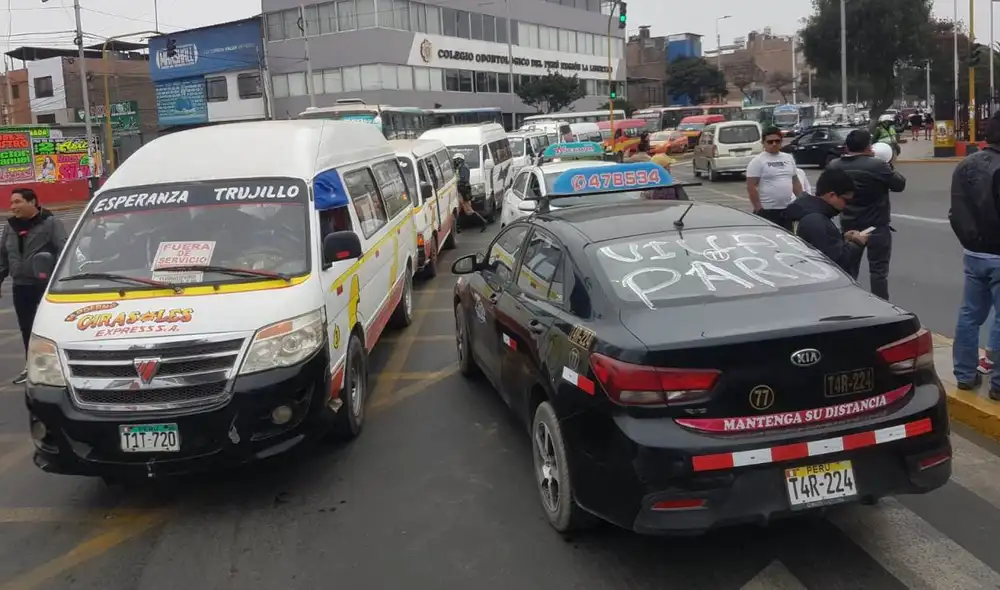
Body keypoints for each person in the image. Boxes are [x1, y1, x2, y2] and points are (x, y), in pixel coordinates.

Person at [949, 110, 1000, 399]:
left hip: (973, 252)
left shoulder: (965, 165)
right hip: (997, 252)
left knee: (969, 315)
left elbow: (957, 210)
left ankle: (965, 375)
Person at [826, 129, 906, 301]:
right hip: (876, 225)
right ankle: (882, 309)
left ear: (847, 146)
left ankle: (848, 303)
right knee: (878, 272)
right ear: (869, 147)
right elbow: (899, 184)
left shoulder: (834, 165)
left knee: (848, 269)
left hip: (849, 225)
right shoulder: (877, 165)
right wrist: (887, 163)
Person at [0, 188, 68, 384]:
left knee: (51, 328)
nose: (13, 206)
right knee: (26, 328)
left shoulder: (50, 223)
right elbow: (3, 256)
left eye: (17, 202)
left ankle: (59, 368)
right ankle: (31, 365)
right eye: (12, 202)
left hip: (45, 286)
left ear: (32, 202)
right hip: (20, 286)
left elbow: (63, 249)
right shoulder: (9, 227)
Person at [785, 167, 866, 275]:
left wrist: (843, 238)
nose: (846, 205)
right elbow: (837, 265)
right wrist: (856, 243)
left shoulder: (806, 211)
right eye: (846, 200)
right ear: (832, 195)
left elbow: (819, 244)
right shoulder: (816, 221)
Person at [745, 126, 802, 231]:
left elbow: (795, 181)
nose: (774, 144)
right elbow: (751, 186)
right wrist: (759, 208)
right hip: (768, 210)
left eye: (777, 141)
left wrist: (802, 200)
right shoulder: (758, 161)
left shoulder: (788, 158)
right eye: (770, 142)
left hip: (787, 209)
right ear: (763, 143)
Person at [453, 153, 486, 232]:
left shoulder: (464, 168)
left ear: (460, 160)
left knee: (468, 210)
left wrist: (455, 183)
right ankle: (457, 227)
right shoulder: (460, 167)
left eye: (456, 160)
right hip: (460, 191)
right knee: (458, 209)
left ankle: (483, 222)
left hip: (463, 191)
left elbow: (463, 180)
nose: (455, 162)